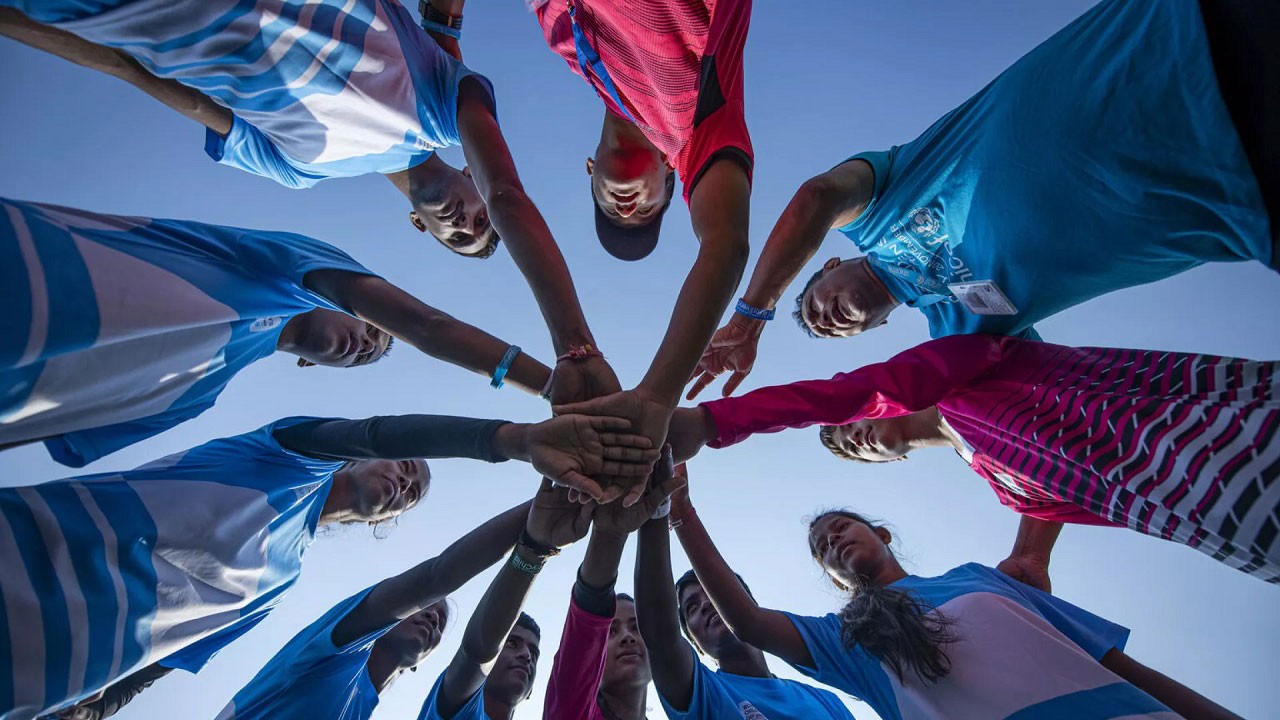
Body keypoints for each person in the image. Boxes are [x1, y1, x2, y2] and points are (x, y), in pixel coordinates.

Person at [0, 3, 621, 416]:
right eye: (482, 218)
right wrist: (576, 351)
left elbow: (145, 78)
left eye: (458, 237)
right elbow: (509, 194)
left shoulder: (295, 170)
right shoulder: (443, 94)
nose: (470, 220)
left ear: (421, 226)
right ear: (470, 173)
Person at [687, 0, 1278, 400]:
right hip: (1240, 198)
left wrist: (751, 314)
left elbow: (815, 198)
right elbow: (1038, 404)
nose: (825, 317)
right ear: (874, 330)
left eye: (813, 303)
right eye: (830, 331)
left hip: (1181, 36)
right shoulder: (959, 333)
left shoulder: (879, 204)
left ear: (829, 264)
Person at [2, 411, 655, 719]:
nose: (404, 480)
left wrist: (94, 708)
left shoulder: (272, 584)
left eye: (414, 489)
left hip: (43, 667)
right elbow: (438, 579)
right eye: (405, 472)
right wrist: (537, 499)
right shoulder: (283, 462)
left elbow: (163, 657)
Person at [671, 333, 1280, 584]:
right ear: (892, 464)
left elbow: (851, 392)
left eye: (850, 428)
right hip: (1207, 520)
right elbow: (1058, 490)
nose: (855, 438)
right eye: (852, 450)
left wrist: (716, 420)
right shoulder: (1002, 484)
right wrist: (1029, 556)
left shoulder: (956, 375)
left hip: (1223, 431)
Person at [0, 197, 556, 471]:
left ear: (316, 367)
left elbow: (49, 431)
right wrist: (551, 385)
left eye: (366, 357)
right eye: (371, 329)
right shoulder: (280, 270)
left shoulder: (194, 399)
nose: (366, 342)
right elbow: (426, 327)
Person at [679, 500, 1244, 719]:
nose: (833, 541)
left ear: (881, 531)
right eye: (822, 548)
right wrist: (681, 511)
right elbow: (749, 622)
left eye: (840, 527)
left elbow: (1117, 664)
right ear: (830, 578)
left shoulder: (981, 579)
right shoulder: (844, 642)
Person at [534, 0, 755, 465]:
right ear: (672, 175)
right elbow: (725, 246)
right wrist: (657, 396)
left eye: (611, 212)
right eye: (647, 210)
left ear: (591, 172)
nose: (626, 210)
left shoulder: (560, 37)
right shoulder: (696, 134)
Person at [207, 500, 531, 720]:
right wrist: (538, 523)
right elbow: (437, 576)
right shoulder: (331, 652)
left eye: (441, 621)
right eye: (426, 607)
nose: (434, 615)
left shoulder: (363, 706)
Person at [634, 463, 855, 720]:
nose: (707, 604)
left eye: (713, 595)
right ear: (695, 643)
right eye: (692, 607)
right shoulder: (702, 692)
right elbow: (660, 635)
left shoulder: (825, 700)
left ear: (746, 602)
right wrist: (656, 506)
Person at [544, 457, 689, 719]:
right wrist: (609, 534)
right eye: (611, 631)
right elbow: (585, 626)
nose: (627, 637)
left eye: (636, 627)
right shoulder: (572, 712)